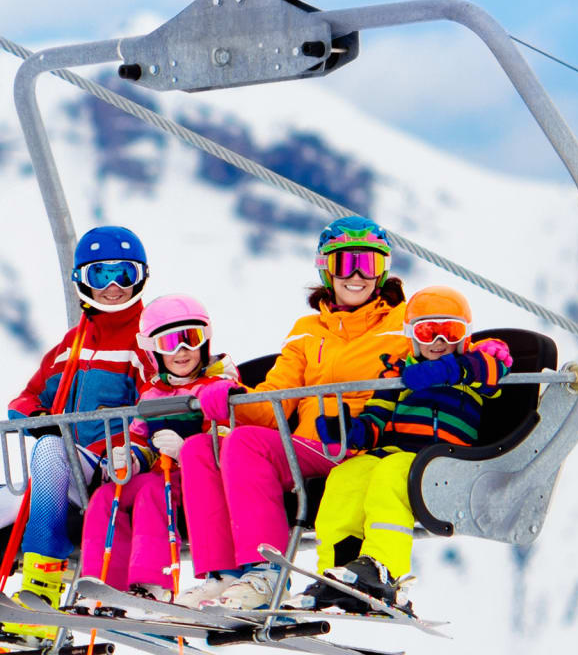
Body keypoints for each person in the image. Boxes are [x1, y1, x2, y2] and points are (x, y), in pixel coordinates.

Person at [0, 225, 151, 655]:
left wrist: (129, 446)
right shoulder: (73, 344)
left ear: (141, 278)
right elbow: (27, 398)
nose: (112, 285)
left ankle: (42, 592)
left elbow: (158, 405)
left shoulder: (145, 340)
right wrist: (33, 416)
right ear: (82, 281)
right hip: (59, 474)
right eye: (100, 273)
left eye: (123, 273)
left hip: (106, 473)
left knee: (51, 450)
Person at [175, 216, 411, 610]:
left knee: (245, 443)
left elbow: (444, 338)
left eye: (367, 264)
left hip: (359, 442)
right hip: (309, 446)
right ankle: (224, 575)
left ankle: (267, 573)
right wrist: (234, 398)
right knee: (202, 448)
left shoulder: (401, 322)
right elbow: (276, 401)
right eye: (344, 263)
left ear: (382, 270)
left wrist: (486, 353)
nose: (356, 275)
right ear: (325, 268)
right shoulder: (307, 330)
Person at [299, 285, 512, 613]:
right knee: (346, 476)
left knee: (391, 473)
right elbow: (375, 422)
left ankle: (382, 568)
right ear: (412, 335)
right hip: (397, 451)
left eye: (449, 331)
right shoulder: (397, 374)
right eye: (427, 332)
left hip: (447, 460)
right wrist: (348, 433)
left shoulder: (477, 365)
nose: (438, 342)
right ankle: (338, 571)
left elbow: (495, 372)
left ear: (464, 336)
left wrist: (446, 371)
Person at [80, 295, 238, 599]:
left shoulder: (217, 386)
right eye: (169, 343)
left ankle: (153, 583)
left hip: (201, 478)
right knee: (106, 494)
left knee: (154, 490)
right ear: (153, 352)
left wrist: (189, 449)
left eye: (190, 339)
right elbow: (141, 437)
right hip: (160, 472)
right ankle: (103, 584)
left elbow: (228, 433)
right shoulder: (153, 396)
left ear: (204, 342)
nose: (181, 351)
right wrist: (133, 457)